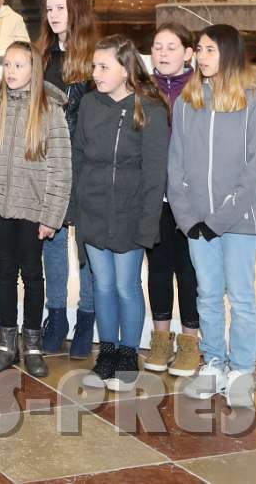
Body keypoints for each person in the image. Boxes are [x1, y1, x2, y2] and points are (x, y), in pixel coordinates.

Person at [170, 24, 256, 409]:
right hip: (196, 221)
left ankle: (242, 370)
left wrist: (220, 218)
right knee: (208, 295)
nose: (201, 57)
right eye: (199, 50)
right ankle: (213, 362)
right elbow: (176, 163)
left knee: (241, 297)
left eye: (209, 50)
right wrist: (186, 215)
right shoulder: (187, 100)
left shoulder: (253, 100)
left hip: (240, 220)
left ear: (228, 53)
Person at [0, 42, 71, 377]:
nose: (10, 72)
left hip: (33, 207)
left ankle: (33, 344)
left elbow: (60, 167)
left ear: (34, 70)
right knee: (3, 272)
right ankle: (6, 343)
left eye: (18, 65)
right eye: (7, 65)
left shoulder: (49, 109)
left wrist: (51, 215)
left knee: (32, 274)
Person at [75, 34, 169, 394]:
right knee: (102, 285)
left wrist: (147, 225)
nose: (95, 73)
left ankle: (129, 355)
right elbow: (79, 158)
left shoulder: (150, 109)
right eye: (94, 66)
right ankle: (107, 352)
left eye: (103, 66)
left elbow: (153, 174)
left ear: (126, 69)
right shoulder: (89, 105)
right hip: (94, 211)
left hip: (130, 214)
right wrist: (76, 209)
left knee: (126, 286)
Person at [34, 0, 98, 356]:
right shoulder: (42, 55)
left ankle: (87, 317)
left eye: (60, 8)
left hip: (84, 163)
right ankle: (56, 316)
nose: (54, 16)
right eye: (50, 9)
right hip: (47, 163)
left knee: (85, 248)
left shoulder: (93, 59)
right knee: (52, 244)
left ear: (76, 11)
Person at [144, 22, 203, 378]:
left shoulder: (198, 89)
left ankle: (190, 342)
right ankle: (161, 340)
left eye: (171, 47)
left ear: (188, 53)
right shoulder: (144, 89)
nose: (163, 54)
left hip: (190, 195)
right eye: (157, 47)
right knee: (158, 267)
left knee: (188, 269)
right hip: (154, 194)